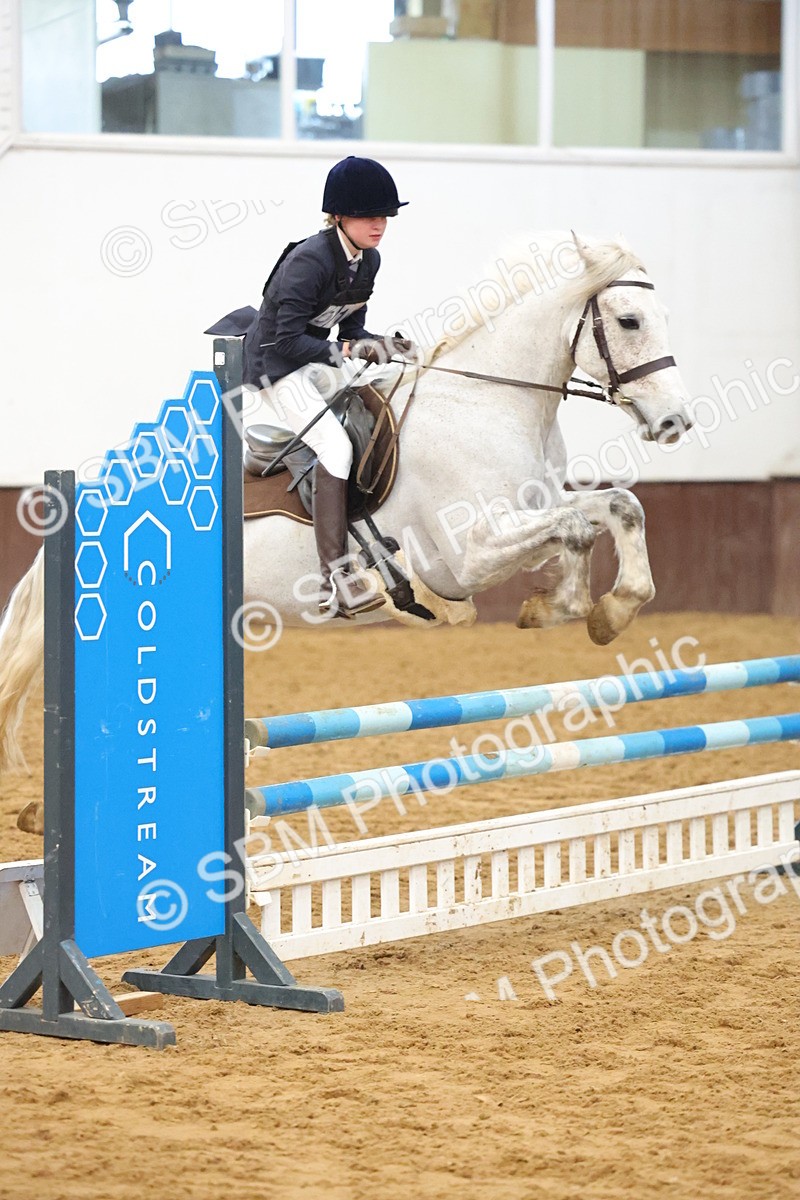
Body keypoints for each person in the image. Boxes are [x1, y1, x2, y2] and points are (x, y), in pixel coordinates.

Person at [243, 156, 414, 617]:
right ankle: (334, 577)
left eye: (384, 216)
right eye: (368, 216)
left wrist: (380, 344)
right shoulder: (309, 260)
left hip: (312, 360)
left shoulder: (368, 260)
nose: (379, 225)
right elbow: (286, 341)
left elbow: (350, 330)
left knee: (382, 394)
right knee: (335, 447)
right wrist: (349, 351)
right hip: (273, 367)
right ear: (338, 216)